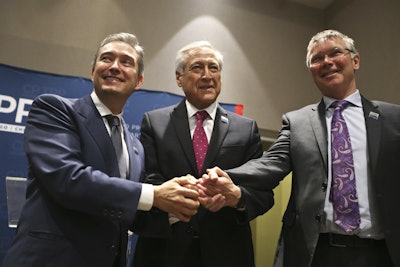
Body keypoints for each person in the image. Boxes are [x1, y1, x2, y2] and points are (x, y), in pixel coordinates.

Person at [1, 32, 200, 267]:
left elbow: (125, 210)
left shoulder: (135, 146)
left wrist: (177, 207)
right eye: (107, 59)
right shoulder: (54, 109)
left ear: (139, 81)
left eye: (126, 62)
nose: (115, 66)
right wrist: (155, 194)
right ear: (93, 71)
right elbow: (68, 178)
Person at [203, 29, 400, 267]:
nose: (326, 62)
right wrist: (225, 175)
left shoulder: (392, 118)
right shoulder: (297, 122)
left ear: (355, 60)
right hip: (315, 254)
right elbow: (270, 164)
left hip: (381, 254)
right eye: (317, 59)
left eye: (335, 53)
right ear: (311, 71)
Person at [132, 41, 274, 267]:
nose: (207, 75)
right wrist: (176, 196)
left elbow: (263, 194)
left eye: (214, 68)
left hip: (227, 254)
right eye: (197, 68)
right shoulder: (155, 122)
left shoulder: (245, 129)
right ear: (179, 77)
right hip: (164, 252)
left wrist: (236, 196)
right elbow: (147, 179)